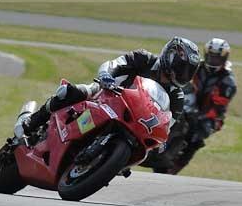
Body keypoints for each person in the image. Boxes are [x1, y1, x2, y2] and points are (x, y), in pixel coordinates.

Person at [21, 36, 201, 138]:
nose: (183, 74)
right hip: (106, 95)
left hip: (133, 122)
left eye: (188, 71)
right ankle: (33, 121)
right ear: (169, 58)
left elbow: (168, 126)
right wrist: (106, 75)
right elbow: (113, 64)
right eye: (181, 68)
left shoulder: (177, 97)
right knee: (72, 91)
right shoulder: (143, 58)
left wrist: (162, 141)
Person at [149, 37, 237, 174]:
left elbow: (218, 106)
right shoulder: (197, 67)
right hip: (189, 104)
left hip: (210, 115)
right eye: (211, 56)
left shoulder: (228, 81)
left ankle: (174, 167)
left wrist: (199, 117)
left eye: (217, 58)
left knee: (196, 136)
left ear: (225, 58)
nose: (213, 60)